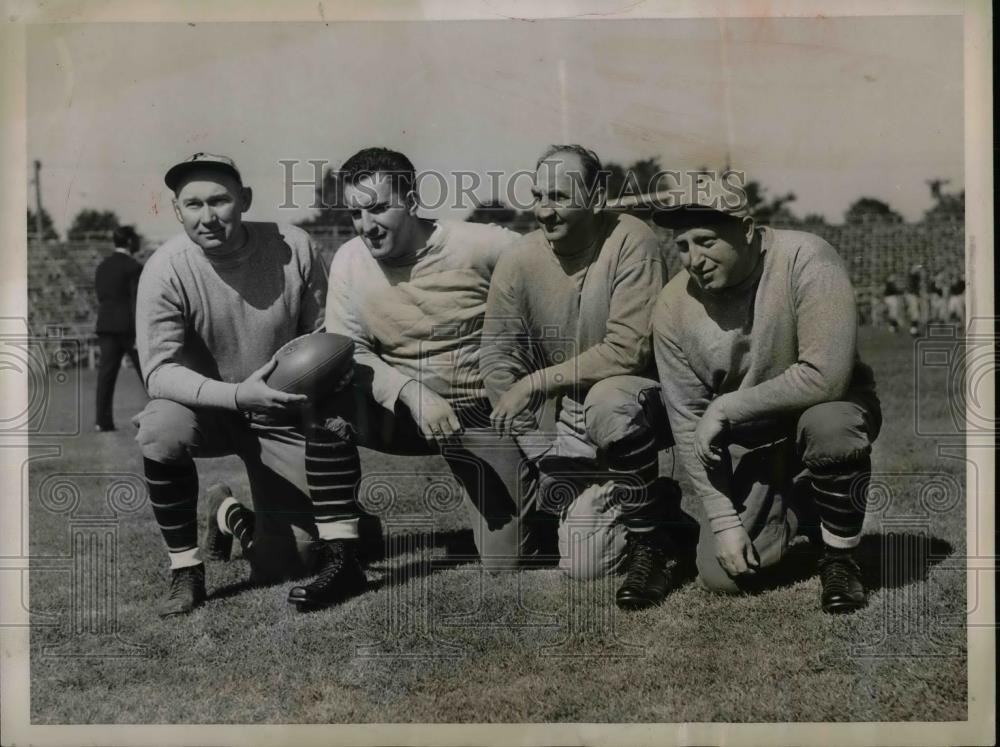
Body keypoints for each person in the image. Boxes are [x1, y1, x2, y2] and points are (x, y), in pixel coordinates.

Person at [233, 146, 527, 610]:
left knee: (508, 559)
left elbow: (545, 273)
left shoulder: (484, 244)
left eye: (377, 207)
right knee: (326, 399)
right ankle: (343, 556)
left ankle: (547, 495)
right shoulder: (351, 260)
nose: (366, 224)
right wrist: (412, 393)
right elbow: (348, 350)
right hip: (402, 414)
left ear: (410, 199)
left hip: (474, 415)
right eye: (355, 211)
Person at [651, 174, 881, 614]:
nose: (693, 259)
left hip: (823, 411)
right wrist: (722, 520)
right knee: (724, 577)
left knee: (830, 425)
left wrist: (727, 405)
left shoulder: (806, 256)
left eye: (706, 241)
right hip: (754, 443)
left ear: (749, 231)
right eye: (682, 246)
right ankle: (802, 504)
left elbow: (825, 376)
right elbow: (686, 422)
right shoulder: (671, 306)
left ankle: (840, 558)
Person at [134, 153, 333, 616]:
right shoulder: (165, 268)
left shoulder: (295, 246)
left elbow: (323, 339)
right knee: (161, 428)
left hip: (279, 410)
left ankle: (228, 515)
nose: (208, 216)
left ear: (244, 199)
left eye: (220, 201)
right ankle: (185, 568)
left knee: (294, 564)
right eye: (194, 204)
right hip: (205, 410)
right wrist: (238, 394)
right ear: (177, 210)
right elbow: (159, 371)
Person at [481, 144, 676, 611]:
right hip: (567, 427)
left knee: (609, 398)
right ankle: (646, 503)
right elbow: (497, 360)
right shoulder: (519, 259)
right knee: (578, 563)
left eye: (559, 196)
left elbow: (629, 350)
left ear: (595, 196)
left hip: (639, 407)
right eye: (537, 195)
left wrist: (536, 383)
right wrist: (542, 452)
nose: (544, 210)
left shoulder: (634, 240)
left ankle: (654, 533)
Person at [94, 225, 144, 431]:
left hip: (106, 324)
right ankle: (166, 415)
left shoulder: (102, 266)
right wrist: (139, 331)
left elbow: (100, 296)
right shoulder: (134, 267)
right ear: (130, 242)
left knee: (106, 375)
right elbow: (136, 300)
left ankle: (102, 422)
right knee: (148, 373)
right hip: (128, 327)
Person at [904, 263, 928, 337]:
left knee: (916, 314)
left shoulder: (916, 276)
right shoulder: (911, 276)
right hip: (912, 295)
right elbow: (913, 288)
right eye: (916, 268)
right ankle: (913, 331)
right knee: (915, 313)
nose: (918, 270)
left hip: (914, 295)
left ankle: (914, 330)